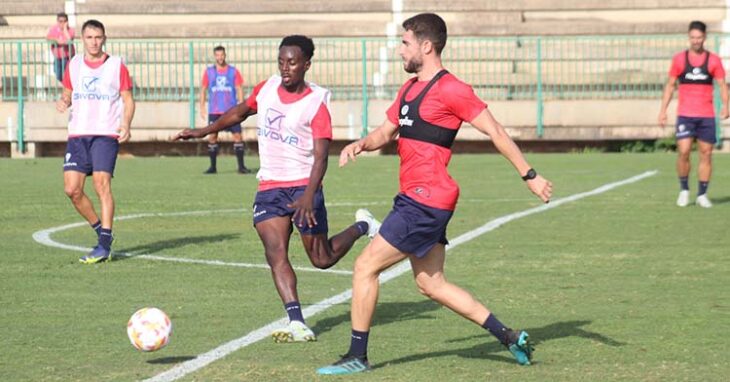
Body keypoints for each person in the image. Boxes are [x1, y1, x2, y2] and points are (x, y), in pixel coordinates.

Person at [316, 13, 553, 375]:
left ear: (427, 46)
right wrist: (360, 144)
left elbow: (497, 132)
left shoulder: (451, 89)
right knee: (431, 284)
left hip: (425, 201)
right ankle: (509, 336)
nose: (400, 51)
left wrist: (530, 176)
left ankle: (357, 356)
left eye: (405, 43)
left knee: (365, 267)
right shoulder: (409, 89)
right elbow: (386, 131)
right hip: (418, 198)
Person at [174, 35, 379, 342]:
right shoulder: (267, 88)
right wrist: (203, 131)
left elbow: (322, 156)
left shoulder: (316, 103)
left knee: (321, 259)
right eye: (281, 61)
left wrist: (310, 195)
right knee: (275, 252)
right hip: (270, 186)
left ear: (306, 65)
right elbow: (239, 112)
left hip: (302, 187)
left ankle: (363, 225)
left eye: (292, 62)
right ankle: (296, 320)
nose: (285, 68)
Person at [56, 19, 135, 264]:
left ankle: (104, 244)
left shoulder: (116, 66)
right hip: (78, 134)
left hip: (105, 133)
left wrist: (127, 124)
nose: (94, 42)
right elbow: (68, 91)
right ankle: (101, 231)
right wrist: (64, 100)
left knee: (102, 185)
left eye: (98, 37)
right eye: (89, 37)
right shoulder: (75, 64)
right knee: (72, 190)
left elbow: (128, 99)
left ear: (104, 38)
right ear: (82, 39)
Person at [659, 20, 728, 208]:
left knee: (706, 154)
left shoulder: (713, 61)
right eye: (692, 38)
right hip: (686, 115)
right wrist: (663, 110)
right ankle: (684, 190)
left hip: (706, 116)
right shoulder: (679, 60)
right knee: (684, 151)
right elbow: (670, 85)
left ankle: (702, 194)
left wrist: (726, 106)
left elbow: (722, 85)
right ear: (688, 38)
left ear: (704, 37)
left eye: (699, 37)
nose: (696, 41)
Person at [200, 45, 250, 174]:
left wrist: (241, 104)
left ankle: (241, 167)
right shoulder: (209, 72)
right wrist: (202, 107)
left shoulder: (233, 71)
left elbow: (239, 88)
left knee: (238, 136)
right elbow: (203, 89)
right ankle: (212, 167)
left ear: (225, 55)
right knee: (212, 137)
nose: (220, 57)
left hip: (231, 111)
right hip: (215, 110)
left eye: (222, 55)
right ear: (214, 56)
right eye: (217, 55)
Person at [46, 12, 75, 82]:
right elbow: (48, 38)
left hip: (67, 57)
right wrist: (56, 40)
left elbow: (69, 39)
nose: (62, 23)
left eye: (64, 21)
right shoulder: (54, 29)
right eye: (60, 21)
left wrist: (65, 30)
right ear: (57, 21)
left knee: (67, 75)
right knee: (58, 74)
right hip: (57, 57)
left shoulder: (70, 30)